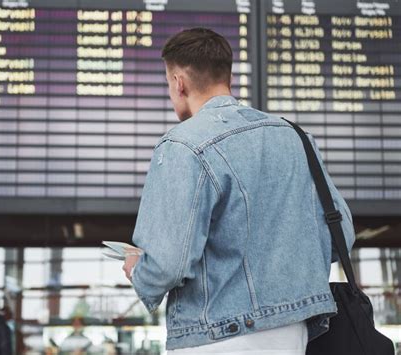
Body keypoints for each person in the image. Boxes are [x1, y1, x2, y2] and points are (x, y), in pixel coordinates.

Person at [122, 28, 356, 354]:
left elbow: (167, 264)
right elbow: (341, 235)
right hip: (295, 333)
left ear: (178, 82)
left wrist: (139, 271)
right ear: (227, 76)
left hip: (216, 335)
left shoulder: (182, 145)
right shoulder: (297, 138)